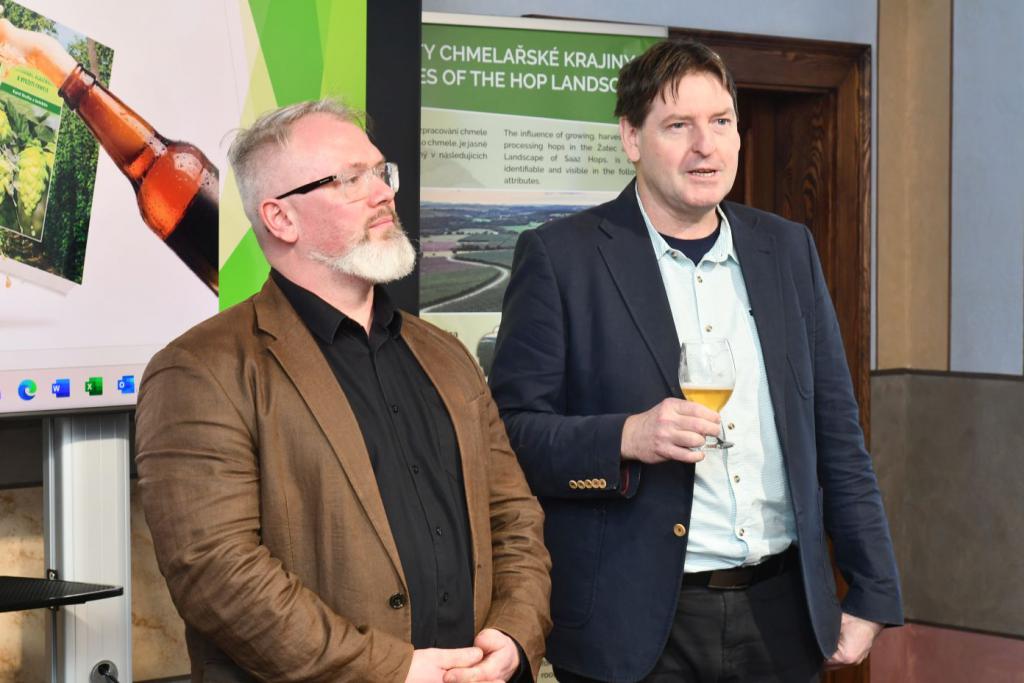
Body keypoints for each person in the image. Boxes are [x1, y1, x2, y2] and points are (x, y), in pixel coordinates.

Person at [489, 39, 902, 682]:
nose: (705, 146)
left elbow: (836, 430)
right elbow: (510, 436)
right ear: (631, 138)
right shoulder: (561, 258)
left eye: (721, 121)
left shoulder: (787, 249)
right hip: (633, 625)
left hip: (782, 617)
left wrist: (872, 588)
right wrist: (625, 437)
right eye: (678, 125)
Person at [135, 99, 551, 683]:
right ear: (281, 218)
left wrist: (513, 632)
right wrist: (392, 671)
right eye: (350, 180)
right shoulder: (200, 370)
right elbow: (217, 574)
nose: (383, 193)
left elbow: (513, 517)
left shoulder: (445, 354)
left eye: (381, 172)